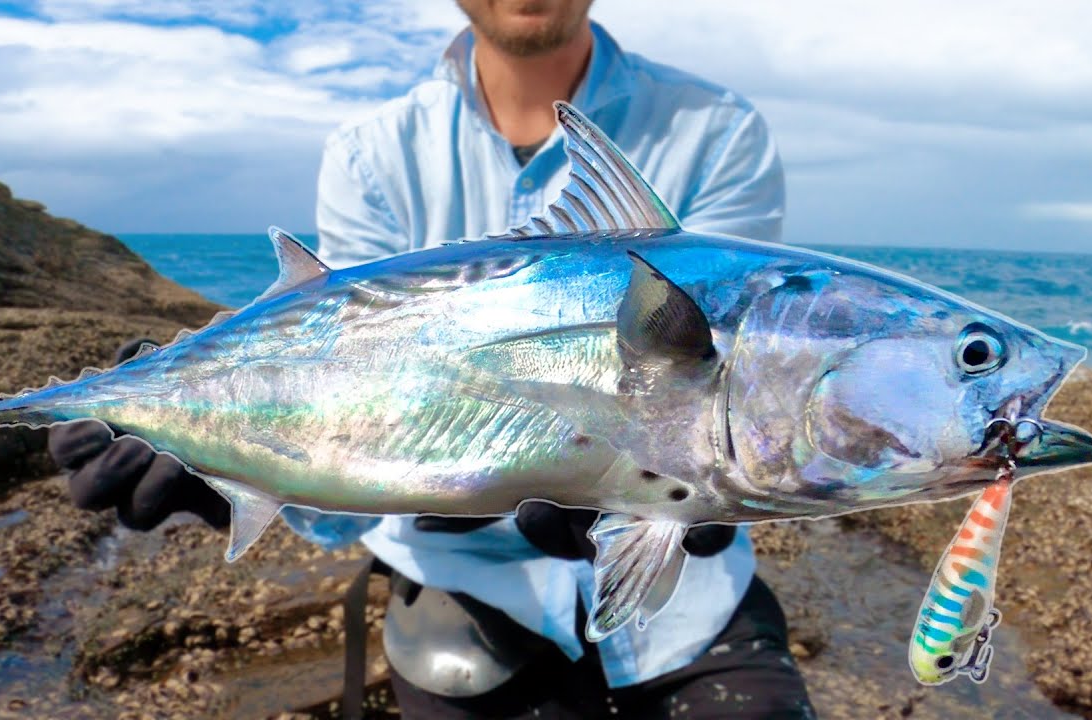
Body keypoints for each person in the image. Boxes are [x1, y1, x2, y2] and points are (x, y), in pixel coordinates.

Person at [49, 1, 816, 717]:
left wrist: (705, 478)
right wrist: (247, 463)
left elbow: (745, 379)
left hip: (690, 594)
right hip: (461, 586)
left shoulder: (714, 129)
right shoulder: (373, 154)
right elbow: (353, 391)